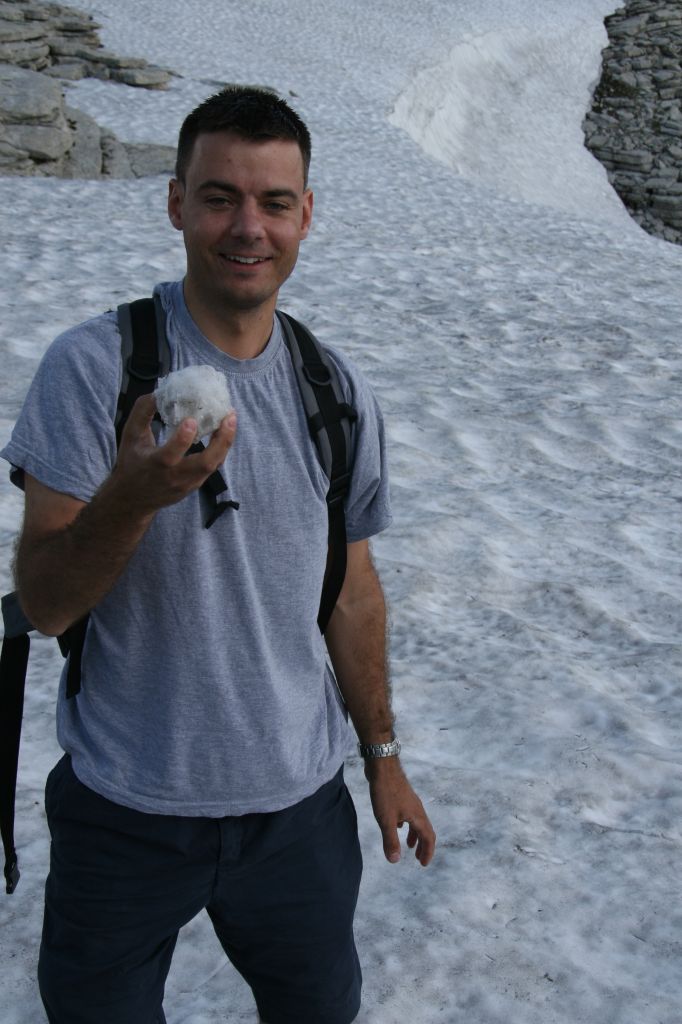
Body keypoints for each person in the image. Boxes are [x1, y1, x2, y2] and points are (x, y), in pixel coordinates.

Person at [2, 86, 436, 1024]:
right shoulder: (96, 368)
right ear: (176, 203)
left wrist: (384, 758)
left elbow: (352, 594)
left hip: (298, 813)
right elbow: (43, 602)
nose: (248, 227)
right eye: (219, 197)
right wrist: (134, 496)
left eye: (274, 202)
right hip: (125, 808)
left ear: (305, 215)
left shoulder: (333, 391)